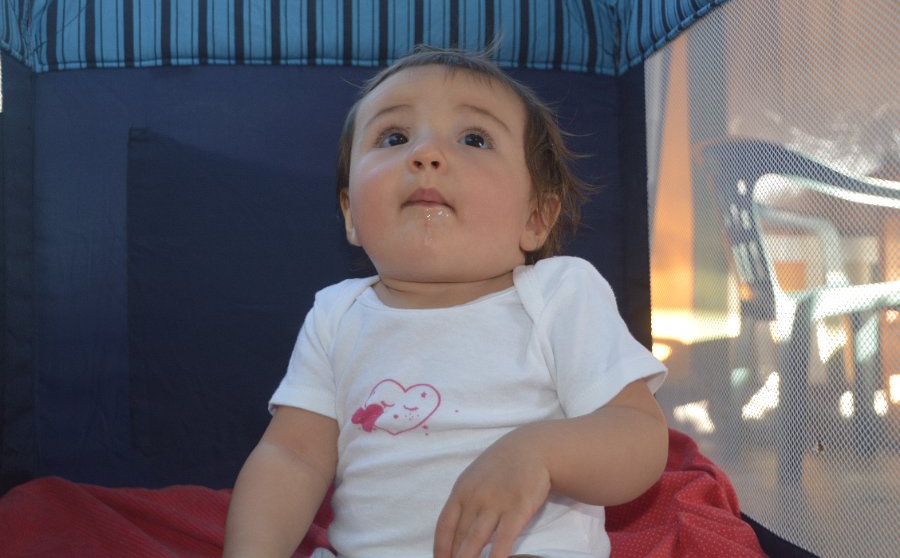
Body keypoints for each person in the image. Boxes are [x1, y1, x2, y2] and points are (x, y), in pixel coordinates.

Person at [223, 46, 668, 558]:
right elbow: (291, 457)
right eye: (394, 137)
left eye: (474, 138)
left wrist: (542, 453)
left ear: (536, 217)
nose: (426, 155)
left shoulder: (558, 294)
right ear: (350, 213)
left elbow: (639, 433)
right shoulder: (336, 315)